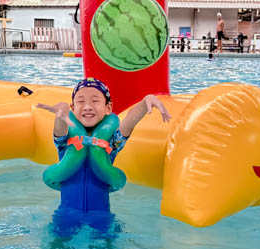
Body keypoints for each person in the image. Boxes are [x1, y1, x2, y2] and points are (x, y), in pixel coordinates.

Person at [37, 78, 171, 220]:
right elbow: (59, 130)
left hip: (101, 217)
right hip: (66, 215)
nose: (87, 106)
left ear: (108, 108)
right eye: (81, 101)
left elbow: (129, 123)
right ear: (73, 107)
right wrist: (60, 116)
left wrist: (145, 102)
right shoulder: (66, 140)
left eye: (95, 101)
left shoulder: (111, 143)